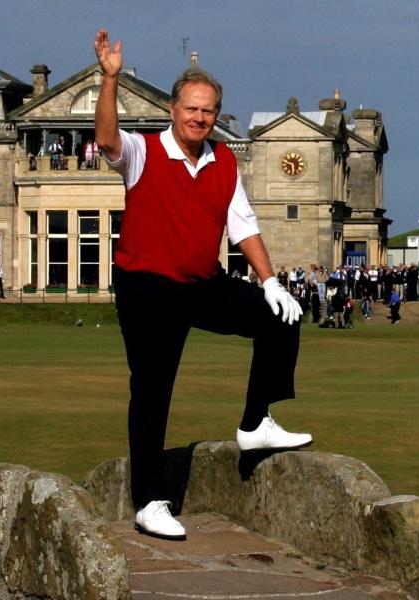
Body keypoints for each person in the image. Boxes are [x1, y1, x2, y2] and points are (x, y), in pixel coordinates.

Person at [94, 28, 309, 542]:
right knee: (151, 386)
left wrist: (271, 281)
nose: (199, 118)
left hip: (199, 281)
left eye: (208, 111)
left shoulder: (224, 160)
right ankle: (149, 501)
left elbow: (244, 224)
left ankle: (256, 422)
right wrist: (110, 79)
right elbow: (106, 140)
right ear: (173, 109)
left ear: (216, 115)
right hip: (145, 285)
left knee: (280, 318)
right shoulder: (144, 152)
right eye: (191, 108)